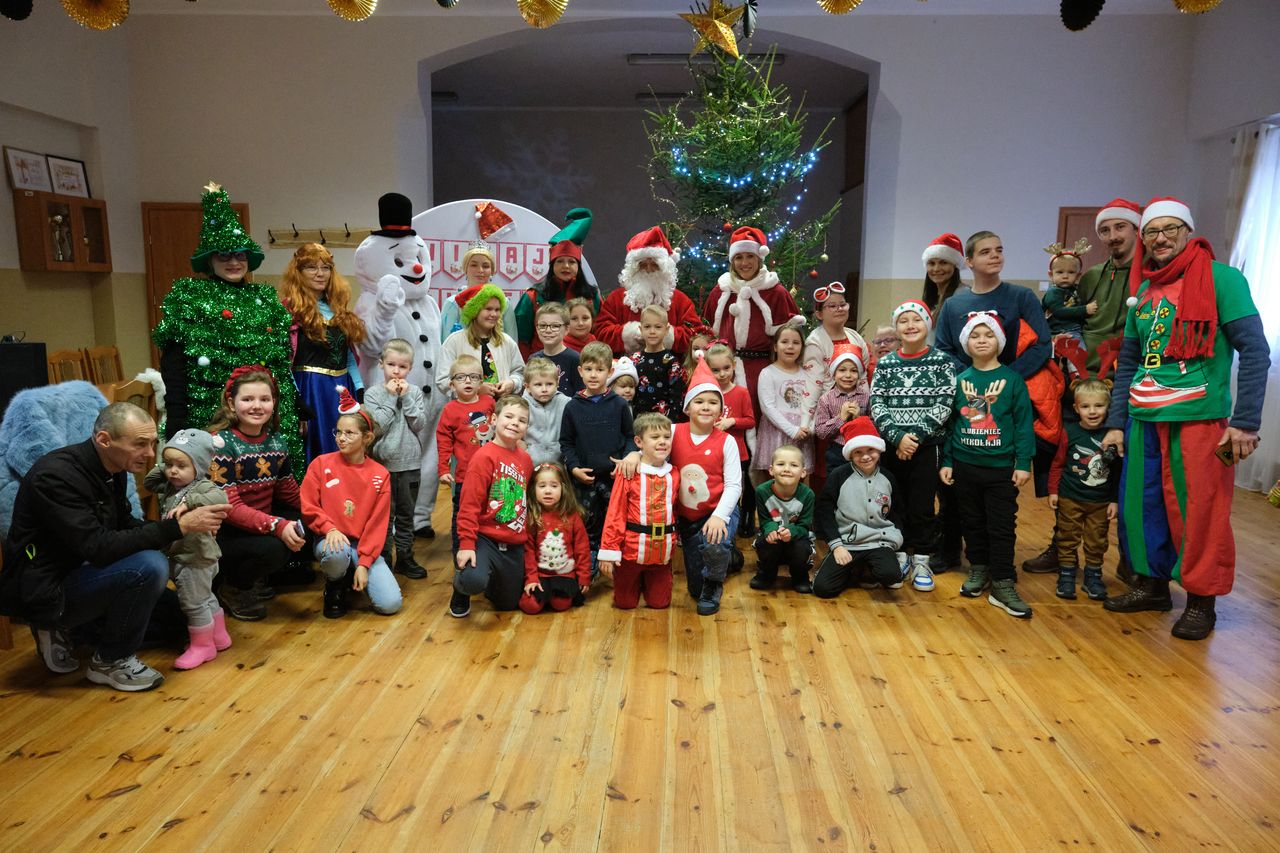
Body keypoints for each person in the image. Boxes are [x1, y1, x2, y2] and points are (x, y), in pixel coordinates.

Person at [1100, 197, 1269, 641]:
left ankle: (1200, 601)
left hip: (1201, 418)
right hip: (1143, 416)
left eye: (1170, 229)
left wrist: (1245, 422)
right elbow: (1130, 361)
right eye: (1152, 231)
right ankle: (1152, 585)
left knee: (1201, 511)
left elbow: (1255, 350)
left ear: (1188, 232)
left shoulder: (1222, 279)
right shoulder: (1145, 289)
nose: (1160, 238)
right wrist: (1116, 422)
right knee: (1143, 506)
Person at [0, 402, 229, 692]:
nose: (150, 454)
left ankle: (77, 630)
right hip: (47, 589)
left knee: (181, 618)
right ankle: (109, 660)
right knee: (150, 566)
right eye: (140, 444)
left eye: (152, 443)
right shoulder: (56, 476)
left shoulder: (112, 466)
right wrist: (177, 528)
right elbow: (98, 547)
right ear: (104, 439)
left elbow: (123, 524)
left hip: (85, 570)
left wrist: (185, 529)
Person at [934, 231, 1057, 574]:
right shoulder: (954, 305)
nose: (995, 256)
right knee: (958, 488)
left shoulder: (1021, 297)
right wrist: (971, 378)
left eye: (999, 250)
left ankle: (997, 564)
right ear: (969, 261)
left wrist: (1006, 378)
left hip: (1007, 401)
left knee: (998, 496)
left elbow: (1042, 344)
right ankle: (954, 551)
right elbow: (943, 349)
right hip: (965, 398)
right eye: (986, 252)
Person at [152, 183, 301, 464]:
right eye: (224, 255)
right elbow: (173, 364)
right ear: (209, 260)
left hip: (263, 418)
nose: (234, 262)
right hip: (209, 416)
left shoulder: (264, 298)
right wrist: (177, 418)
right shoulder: (190, 297)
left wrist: (295, 402)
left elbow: (281, 361)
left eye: (240, 255)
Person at [352, 192, 446, 542]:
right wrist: (385, 308)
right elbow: (370, 345)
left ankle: (420, 517)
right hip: (390, 399)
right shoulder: (369, 301)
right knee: (389, 457)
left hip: (430, 397)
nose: (417, 268)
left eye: (418, 258)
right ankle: (388, 520)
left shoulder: (430, 303)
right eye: (400, 261)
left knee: (428, 456)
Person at [939, 313, 1035, 619]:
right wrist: (948, 461)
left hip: (1000, 469)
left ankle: (1003, 581)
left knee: (1002, 525)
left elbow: (1023, 425)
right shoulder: (960, 381)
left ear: (999, 341)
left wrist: (1023, 462)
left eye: (988, 334)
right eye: (975, 335)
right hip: (965, 465)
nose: (982, 340)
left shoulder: (1013, 381)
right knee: (972, 522)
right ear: (966, 342)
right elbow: (952, 425)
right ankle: (978, 568)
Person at [868, 301, 957, 590]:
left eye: (916, 320)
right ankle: (899, 554)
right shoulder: (886, 364)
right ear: (897, 328)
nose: (910, 325)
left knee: (922, 505)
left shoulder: (942, 361)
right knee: (894, 502)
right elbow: (877, 403)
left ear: (927, 325)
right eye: (903, 321)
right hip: (893, 445)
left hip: (926, 446)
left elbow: (945, 403)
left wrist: (914, 437)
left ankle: (921, 559)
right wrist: (897, 437)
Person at [208, 366, 306, 621]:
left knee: (306, 523)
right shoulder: (221, 444)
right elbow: (229, 506)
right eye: (248, 399)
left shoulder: (276, 441)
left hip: (259, 522)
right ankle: (233, 587)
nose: (257, 406)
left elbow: (288, 491)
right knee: (276, 547)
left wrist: (322, 513)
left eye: (264, 399)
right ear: (232, 403)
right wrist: (276, 525)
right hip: (225, 531)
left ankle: (252, 578)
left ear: (274, 403)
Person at [301, 389, 401, 619]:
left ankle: (353, 570)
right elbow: (309, 506)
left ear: (367, 438)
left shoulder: (380, 475)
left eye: (349, 433)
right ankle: (335, 584)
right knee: (336, 552)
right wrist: (329, 528)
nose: (341, 438)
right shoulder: (321, 464)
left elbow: (377, 525)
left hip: (362, 544)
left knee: (390, 604)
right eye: (338, 432)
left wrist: (364, 564)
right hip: (330, 538)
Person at [142, 428, 231, 670]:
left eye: (181, 465)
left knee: (193, 603)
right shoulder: (172, 485)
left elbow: (221, 499)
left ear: (199, 466)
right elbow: (149, 482)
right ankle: (219, 636)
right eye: (169, 464)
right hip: (185, 554)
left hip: (195, 558)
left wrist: (190, 502)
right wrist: (167, 463)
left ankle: (203, 647)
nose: (173, 471)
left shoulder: (201, 487)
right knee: (205, 597)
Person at [281, 242, 366, 465]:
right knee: (318, 450)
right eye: (311, 267)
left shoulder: (338, 308)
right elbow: (282, 361)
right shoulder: (288, 311)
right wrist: (297, 402)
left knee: (346, 446)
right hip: (311, 390)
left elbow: (348, 355)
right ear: (298, 272)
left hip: (342, 389)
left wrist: (360, 394)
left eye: (325, 267)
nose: (320, 273)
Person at [704, 226, 802, 417]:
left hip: (763, 370)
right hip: (725, 371)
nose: (744, 263)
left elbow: (791, 337)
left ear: (759, 258)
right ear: (732, 261)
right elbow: (705, 332)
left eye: (750, 256)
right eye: (739, 257)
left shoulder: (776, 292)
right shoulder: (721, 291)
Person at [449, 395, 534, 618]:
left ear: (526, 427)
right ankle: (461, 587)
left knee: (508, 604)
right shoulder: (483, 457)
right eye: (509, 416)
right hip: (485, 538)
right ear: (494, 420)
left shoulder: (526, 460)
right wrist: (467, 544)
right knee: (473, 580)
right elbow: (468, 506)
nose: (515, 423)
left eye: (522, 420)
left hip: (513, 539)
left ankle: (493, 578)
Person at [559, 342, 635, 574]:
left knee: (615, 522)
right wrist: (574, 468)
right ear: (580, 371)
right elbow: (566, 443)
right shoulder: (572, 407)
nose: (594, 375)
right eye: (589, 369)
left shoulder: (619, 404)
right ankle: (588, 569)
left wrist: (626, 459)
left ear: (610, 372)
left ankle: (616, 568)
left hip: (614, 478)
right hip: (584, 479)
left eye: (600, 370)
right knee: (586, 524)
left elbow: (630, 437)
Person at [812, 417, 905, 598]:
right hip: (848, 543)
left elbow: (897, 511)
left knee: (891, 575)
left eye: (870, 450)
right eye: (858, 452)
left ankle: (869, 567)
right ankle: (854, 569)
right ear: (850, 454)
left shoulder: (888, 477)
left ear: (879, 449)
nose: (865, 456)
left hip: (880, 541)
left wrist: (897, 537)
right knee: (822, 588)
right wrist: (836, 545)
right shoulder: (839, 476)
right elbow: (824, 510)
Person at [363, 338, 429, 580]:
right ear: (381, 364)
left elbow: (419, 423)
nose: (396, 371)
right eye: (391, 365)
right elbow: (377, 426)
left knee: (405, 514)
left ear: (410, 368)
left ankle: (405, 557)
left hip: (410, 464)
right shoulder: (373, 394)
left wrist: (407, 397)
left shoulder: (415, 393)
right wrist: (391, 398)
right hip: (382, 467)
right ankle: (383, 560)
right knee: (383, 517)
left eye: (402, 366)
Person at [598, 413, 679, 609]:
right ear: (639, 442)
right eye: (655, 437)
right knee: (625, 603)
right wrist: (609, 551)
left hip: (661, 552)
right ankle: (634, 582)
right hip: (631, 552)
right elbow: (615, 512)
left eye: (666, 437)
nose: (662, 441)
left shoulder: (674, 473)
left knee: (660, 603)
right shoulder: (629, 472)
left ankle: (650, 583)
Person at [1048, 379, 1118, 602]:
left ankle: (1093, 577)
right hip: (1070, 497)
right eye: (1086, 406)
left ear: (1108, 406)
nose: (1092, 411)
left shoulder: (1112, 436)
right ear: (1076, 408)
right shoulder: (1069, 432)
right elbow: (1058, 463)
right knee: (1067, 537)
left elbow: (1118, 471)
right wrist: (1053, 490)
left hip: (1100, 501)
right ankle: (1066, 575)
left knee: (1097, 540)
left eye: (1099, 405)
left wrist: (1115, 500)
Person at [593, 226, 705, 356]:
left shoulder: (681, 301)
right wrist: (630, 334)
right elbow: (600, 332)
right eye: (642, 265)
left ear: (665, 269)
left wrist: (667, 335)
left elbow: (696, 335)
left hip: (669, 367)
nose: (648, 269)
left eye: (654, 265)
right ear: (633, 269)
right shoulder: (616, 299)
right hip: (624, 366)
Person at [514, 208, 599, 357]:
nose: (566, 266)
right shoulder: (533, 297)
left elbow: (598, 332)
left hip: (585, 365)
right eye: (560, 261)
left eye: (571, 262)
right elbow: (522, 340)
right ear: (552, 265)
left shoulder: (592, 296)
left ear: (578, 266)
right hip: (542, 366)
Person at [435, 355, 496, 552]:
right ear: (452, 384)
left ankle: (487, 552)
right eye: (461, 377)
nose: (467, 381)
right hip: (465, 476)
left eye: (473, 377)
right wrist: (443, 469)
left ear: (481, 382)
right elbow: (443, 441)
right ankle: (460, 553)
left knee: (491, 512)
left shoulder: (489, 403)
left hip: (492, 473)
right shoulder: (450, 410)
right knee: (462, 514)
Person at [521, 463, 592, 614]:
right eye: (542, 486)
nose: (548, 491)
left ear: (563, 489)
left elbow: (582, 549)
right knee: (530, 606)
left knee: (561, 605)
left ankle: (550, 597)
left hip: (564, 575)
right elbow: (528, 552)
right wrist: (531, 578)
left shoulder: (572, 516)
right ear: (533, 489)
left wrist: (583, 577)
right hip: (540, 575)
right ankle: (543, 596)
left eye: (554, 486)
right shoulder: (532, 517)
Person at [1079, 199, 1142, 368]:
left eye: (1120, 227)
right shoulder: (1091, 276)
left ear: (1137, 230)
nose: (1113, 236)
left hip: (1129, 371)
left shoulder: (1151, 275)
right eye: (1105, 230)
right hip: (1086, 373)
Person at [437, 283, 526, 399]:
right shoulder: (454, 342)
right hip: (467, 407)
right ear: (474, 311)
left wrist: (512, 383)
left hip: (502, 407)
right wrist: (475, 389)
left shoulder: (507, 342)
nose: (494, 314)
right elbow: (443, 380)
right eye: (488, 309)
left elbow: (519, 372)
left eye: (497, 309)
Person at [751, 444, 816, 593]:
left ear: (803, 472)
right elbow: (764, 521)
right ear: (771, 470)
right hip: (773, 537)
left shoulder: (808, 495)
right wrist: (771, 530)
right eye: (781, 464)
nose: (787, 469)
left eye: (794, 465)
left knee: (802, 548)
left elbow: (804, 526)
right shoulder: (761, 491)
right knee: (766, 543)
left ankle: (800, 576)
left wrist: (791, 532)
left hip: (796, 538)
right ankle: (766, 573)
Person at [706, 343, 756, 537]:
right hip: (713, 453)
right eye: (715, 370)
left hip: (737, 453)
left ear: (734, 365)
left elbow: (750, 421)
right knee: (716, 491)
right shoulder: (708, 394)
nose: (722, 374)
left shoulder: (741, 392)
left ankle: (732, 532)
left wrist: (732, 421)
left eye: (726, 368)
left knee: (734, 492)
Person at [754, 325, 815, 482]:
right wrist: (791, 430)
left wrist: (810, 427)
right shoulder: (768, 373)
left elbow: (814, 403)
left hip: (802, 432)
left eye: (796, 342)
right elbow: (768, 407)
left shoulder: (808, 374)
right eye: (784, 342)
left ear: (802, 347)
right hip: (777, 432)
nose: (790, 346)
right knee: (775, 477)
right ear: (775, 346)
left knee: (799, 477)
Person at [802, 281, 873, 409]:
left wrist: (864, 409)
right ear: (819, 314)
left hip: (856, 408)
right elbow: (813, 386)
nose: (839, 309)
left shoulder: (856, 338)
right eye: (832, 306)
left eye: (843, 305)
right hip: (826, 411)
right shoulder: (815, 343)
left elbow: (862, 377)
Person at [440, 241, 519, 343]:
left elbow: (512, 343)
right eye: (474, 265)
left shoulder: (504, 303)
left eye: (485, 266)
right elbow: (445, 345)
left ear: (492, 271)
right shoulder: (452, 304)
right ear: (465, 269)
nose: (480, 270)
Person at [814, 351, 870, 474]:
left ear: (859, 375)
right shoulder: (826, 399)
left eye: (854, 371)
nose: (848, 375)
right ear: (833, 374)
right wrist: (841, 418)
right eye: (842, 370)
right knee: (837, 482)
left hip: (863, 449)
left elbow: (875, 428)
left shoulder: (866, 397)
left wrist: (859, 419)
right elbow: (821, 432)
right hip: (836, 451)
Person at [632, 304, 686, 418]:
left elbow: (676, 398)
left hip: (663, 423)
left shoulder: (672, 362)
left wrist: (669, 422)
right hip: (637, 421)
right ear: (641, 329)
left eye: (658, 327)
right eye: (647, 326)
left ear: (666, 330)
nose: (652, 331)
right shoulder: (635, 360)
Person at [1041, 238, 1095, 344]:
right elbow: (1059, 311)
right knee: (1079, 352)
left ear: (1078, 276)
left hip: (1076, 329)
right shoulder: (1054, 292)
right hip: (1060, 331)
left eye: (1071, 272)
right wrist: (1085, 309)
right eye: (1060, 272)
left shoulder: (1075, 289)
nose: (1065, 276)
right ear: (1051, 275)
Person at [522, 357, 570, 466]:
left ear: (557, 382)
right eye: (538, 385)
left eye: (549, 384)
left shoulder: (566, 403)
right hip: (530, 464)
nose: (544, 389)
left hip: (559, 465)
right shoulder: (521, 405)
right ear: (527, 386)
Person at [529, 302, 583, 397]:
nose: (548, 330)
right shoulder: (533, 359)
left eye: (555, 326)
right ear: (537, 328)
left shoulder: (575, 359)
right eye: (542, 326)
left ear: (567, 329)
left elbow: (581, 395)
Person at [920, 233, 967, 338]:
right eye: (931, 263)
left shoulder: (963, 295)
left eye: (943, 263)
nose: (936, 269)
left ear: (955, 265)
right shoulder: (933, 297)